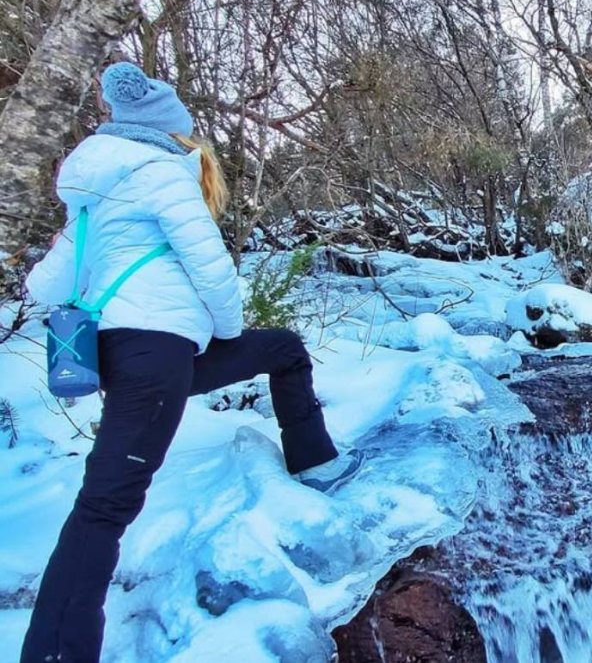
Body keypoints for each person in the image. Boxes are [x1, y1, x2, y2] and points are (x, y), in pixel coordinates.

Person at [19, 62, 362, 663]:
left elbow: (43, 288)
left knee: (282, 347)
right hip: (158, 357)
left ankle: (316, 463)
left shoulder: (93, 197)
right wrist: (225, 330)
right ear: (173, 134)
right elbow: (211, 268)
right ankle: (55, 652)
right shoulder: (161, 175)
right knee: (104, 507)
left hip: (129, 357)